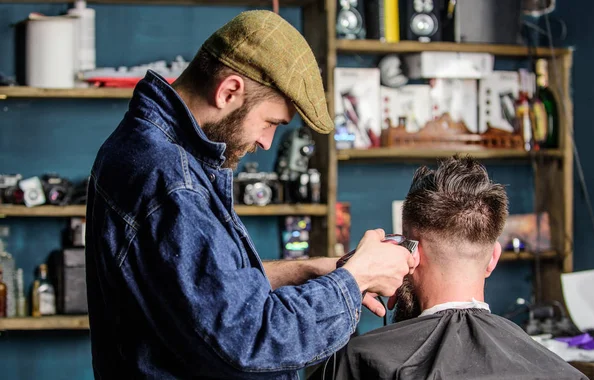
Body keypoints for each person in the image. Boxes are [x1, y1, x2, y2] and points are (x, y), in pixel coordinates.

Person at [84, 10, 416, 380]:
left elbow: (203, 291)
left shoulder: (150, 149)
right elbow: (251, 341)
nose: (266, 141)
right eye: (271, 122)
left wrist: (310, 271)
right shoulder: (172, 182)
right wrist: (353, 281)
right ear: (229, 91)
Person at [334, 156, 589, 380]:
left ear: (409, 254)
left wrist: (342, 289)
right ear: (493, 258)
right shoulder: (559, 370)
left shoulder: (363, 360)